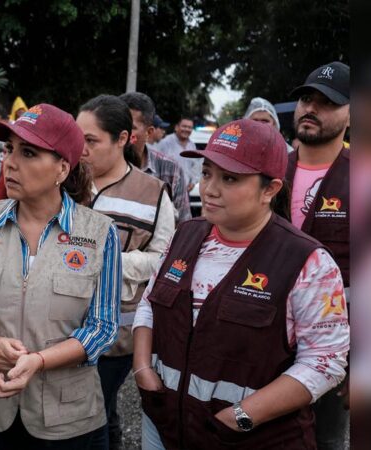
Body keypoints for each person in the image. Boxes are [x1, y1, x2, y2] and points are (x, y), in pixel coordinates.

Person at [132, 119, 349, 449]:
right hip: (165, 426)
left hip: (251, 437)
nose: (209, 189)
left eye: (229, 178)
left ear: (270, 190)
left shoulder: (308, 261)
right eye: (206, 173)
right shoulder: (185, 235)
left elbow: (325, 361)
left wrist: (243, 416)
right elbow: (150, 303)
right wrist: (143, 370)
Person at [0, 104, 122, 449]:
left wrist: (38, 361)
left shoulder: (99, 233)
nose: (10, 162)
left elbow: (103, 327)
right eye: (9, 149)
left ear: (62, 168)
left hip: (66, 419)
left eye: (28, 152)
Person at [76, 95, 175, 450]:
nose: (81, 150)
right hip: (58, 327)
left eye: (91, 141)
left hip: (116, 333)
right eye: (77, 139)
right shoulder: (64, 183)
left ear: (122, 139)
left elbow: (166, 259)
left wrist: (109, 261)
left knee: (96, 410)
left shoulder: (152, 193)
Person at [286, 61, 351, 450]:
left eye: (327, 102)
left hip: (334, 346)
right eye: (307, 98)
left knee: (324, 441)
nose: (312, 108)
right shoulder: (271, 171)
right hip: (266, 335)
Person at [120, 92, 192, 223]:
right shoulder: (99, 165)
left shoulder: (171, 170)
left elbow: (184, 227)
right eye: (117, 125)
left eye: (131, 128)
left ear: (149, 132)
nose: (121, 133)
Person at [156, 116, 199, 189]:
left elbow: (195, 167)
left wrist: (193, 182)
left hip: (185, 191)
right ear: (176, 127)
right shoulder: (165, 143)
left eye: (189, 127)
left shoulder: (192, 146)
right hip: (166, 190)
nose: (187, 129)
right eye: (184, 126)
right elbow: (156, 166)